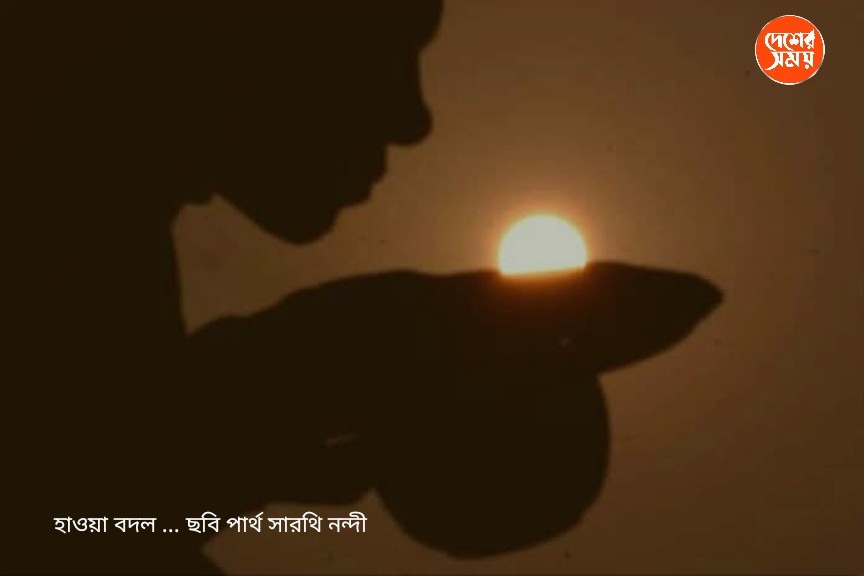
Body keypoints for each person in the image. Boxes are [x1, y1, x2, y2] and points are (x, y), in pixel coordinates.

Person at [2, 1, 720, 573]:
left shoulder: (91, 220)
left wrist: (262, 418)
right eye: (386, 44)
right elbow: (63, 514)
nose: (414, 119)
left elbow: (89, 513)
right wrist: (333, 358)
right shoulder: (49, 206)